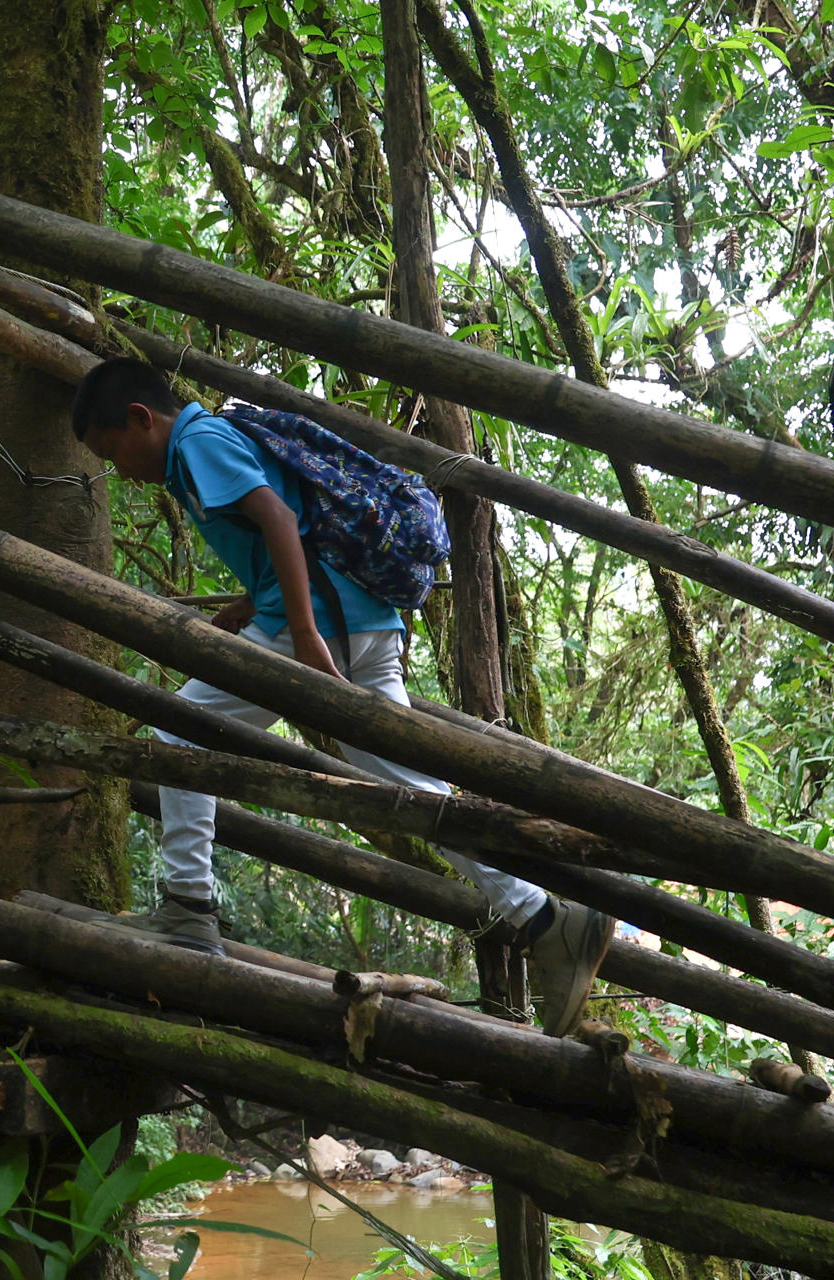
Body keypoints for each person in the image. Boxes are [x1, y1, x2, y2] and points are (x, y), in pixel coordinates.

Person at [70, 356, 612, 1037]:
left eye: (111, 449)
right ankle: (543, 918)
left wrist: (300, 631)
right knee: (406, 783)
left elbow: (276, 518)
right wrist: (249, 604)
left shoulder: (198, 443)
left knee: (180, 730)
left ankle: (187, 909)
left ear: (142, 419)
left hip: (325, 629)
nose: (117, 468)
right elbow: (286, 524)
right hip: (351, 621)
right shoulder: (210, 441)